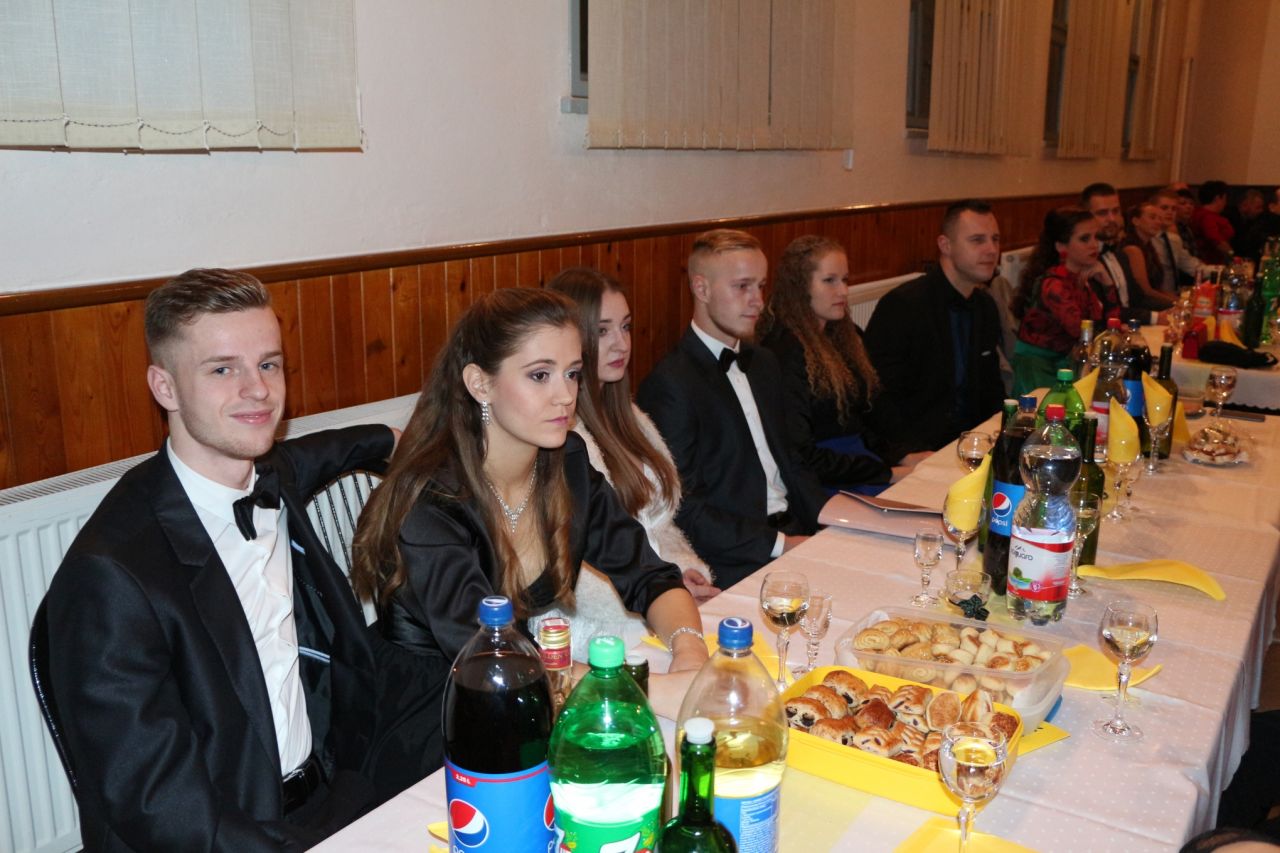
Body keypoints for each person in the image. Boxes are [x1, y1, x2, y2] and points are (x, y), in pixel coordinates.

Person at [38, 269, 398, 851]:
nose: (258, 390)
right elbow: (156, 804)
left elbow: (324, 451)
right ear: (165, 387)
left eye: (269, 364)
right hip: (227, 834)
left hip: (329, 794)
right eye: (222, 370)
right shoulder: (111, 574)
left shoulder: (270, 475)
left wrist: (392, 438)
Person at [351, 287, 707, 792]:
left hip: (537, 693)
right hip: (436, 719)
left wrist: (691, 653)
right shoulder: (431, 500)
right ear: (480, 383)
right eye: (540, 375)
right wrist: (647, 692)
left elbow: (649, 575)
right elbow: (492, 655)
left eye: (572, 373)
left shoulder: (568, 465)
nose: (565, 396)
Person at [637, 229, 827, 590]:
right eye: (742, 287)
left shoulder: (765, 362)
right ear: (702, 288)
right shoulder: (671, 384)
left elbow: (791, 462)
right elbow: (684, 507)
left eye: (761, 286)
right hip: (736, 557)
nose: (758, 301)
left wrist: (842, 519)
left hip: (795, 530)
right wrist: (782, 545)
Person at [545, 267, 718, 653]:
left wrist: (680, 570)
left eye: (625, 327)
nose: (621, 344)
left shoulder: (631, 416)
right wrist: (657, 595)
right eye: (602, 331)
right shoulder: (559, 437)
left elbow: (657, 523)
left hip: (651, 602)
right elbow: (575, 569)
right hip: (597, 632)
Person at [757, 235, 929, 493]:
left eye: (845, 280)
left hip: (856, 464)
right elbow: (802, 455)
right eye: (829, 281)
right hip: (822, 480)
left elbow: (861, 418)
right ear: (799, 286)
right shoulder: (785, 352)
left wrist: (900, 456)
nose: (843, 291)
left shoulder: (844, 335)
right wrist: (888, 473)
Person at [863, 199, 1006, 451]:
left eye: (995, 239)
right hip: (919, 445)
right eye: (977, 240)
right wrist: (904, 453)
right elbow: (876, 393)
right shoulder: (903, 305)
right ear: (945, 245)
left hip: (973, 440)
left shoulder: (984, 306)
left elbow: (990, 387)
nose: (991, 250)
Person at [1009, 208, 1109, 394]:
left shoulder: (1081, 278)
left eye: (1096, 237)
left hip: (1066, 363)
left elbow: (1109, 327)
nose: (1094, 245)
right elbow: (1083, 333)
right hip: (1039, 368)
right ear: (1061, 246)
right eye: (1085, 239)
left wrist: (1108, 284)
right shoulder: (1054, 284)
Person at [1082, 182, 1158, 323]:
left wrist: (1175, 308)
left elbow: (1139, 299)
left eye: (1116, 211)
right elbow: (1101, 312)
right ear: (1085, 216)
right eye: (1102, 213)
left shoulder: (1120, 254)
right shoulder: (1082, 260)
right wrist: (1156, 318)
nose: (1112, 219)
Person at [1121, 199, 1176, 311]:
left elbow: (1156, 288)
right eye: (1152, 218)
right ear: (1136, 221)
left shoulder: (1149, 246)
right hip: (1140, 307)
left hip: (1151, 302)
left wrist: (1180, 300)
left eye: (1159, 218)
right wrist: (1176, 303)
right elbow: (1145, 291)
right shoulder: (1133, 249)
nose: (1158, 222)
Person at [1150, 189, 1206, 291]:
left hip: (1174, 293)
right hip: (1156, 296)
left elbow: (1192, 265)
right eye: (1164, 208)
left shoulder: (1174, 239)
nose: (1170, 212)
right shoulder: (1147, 240)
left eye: (1174, 209)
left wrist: (1222, 270)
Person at [1193, 180, 1237, 265]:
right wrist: (1232, 255)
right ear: (1217, 198)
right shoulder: (1207, 217)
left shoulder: (1200, 213)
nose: (1225, 203)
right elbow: (1216, 239)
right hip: (1210, 264)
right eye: (1224, 199)